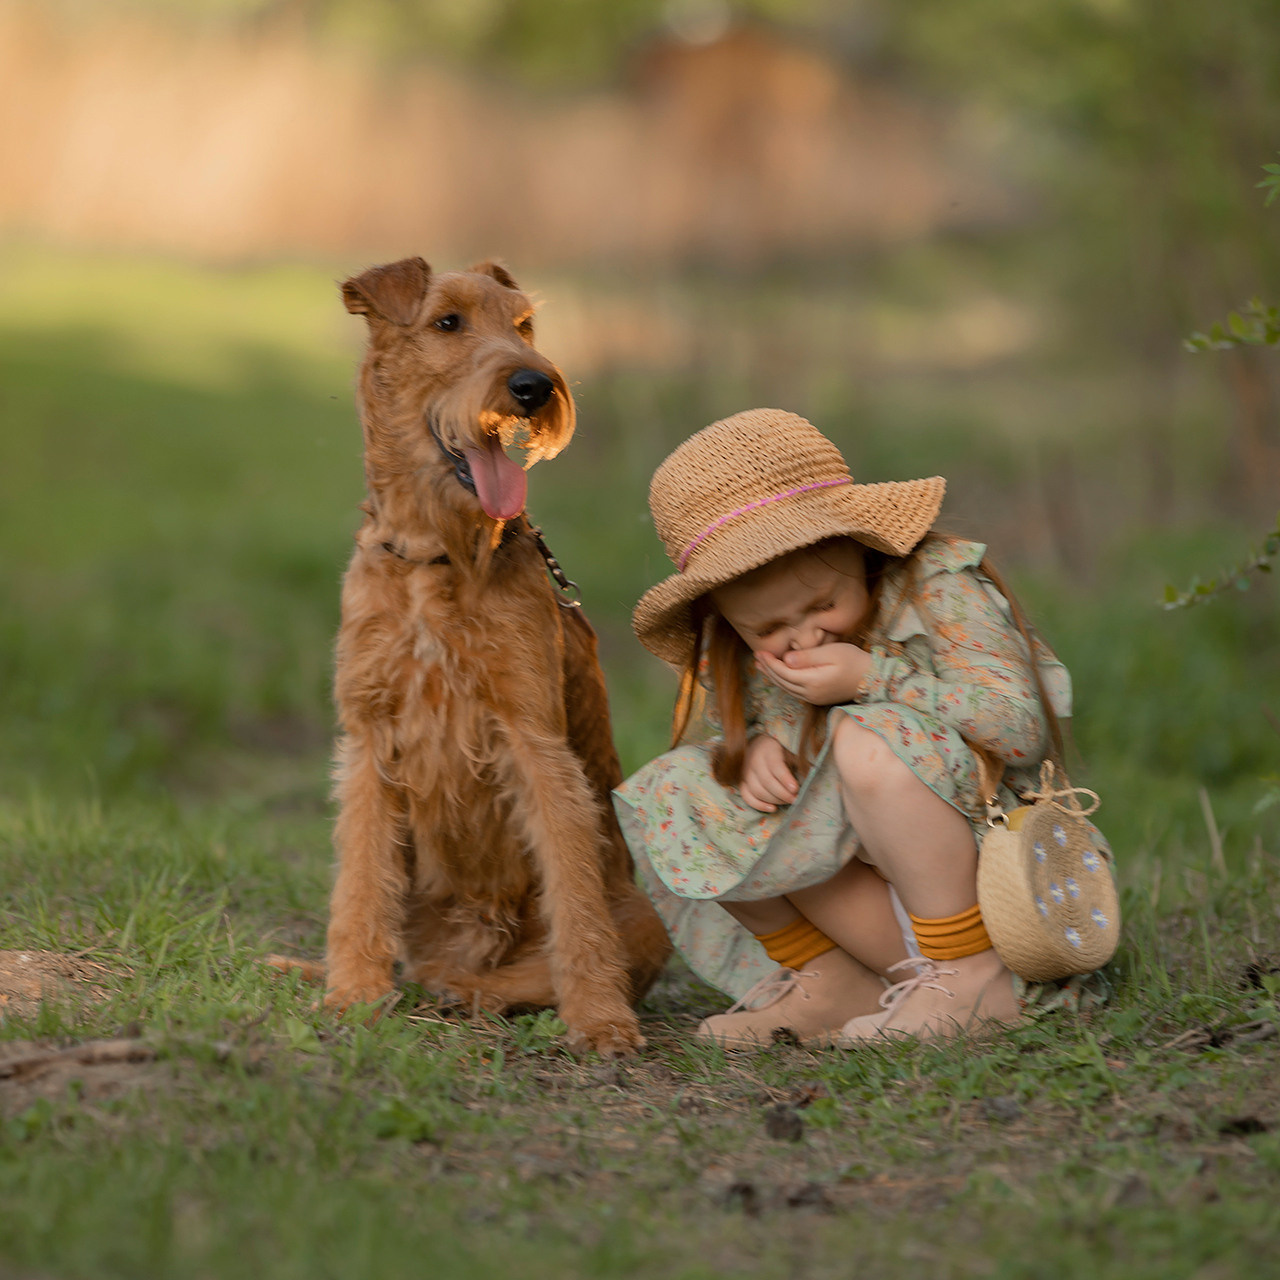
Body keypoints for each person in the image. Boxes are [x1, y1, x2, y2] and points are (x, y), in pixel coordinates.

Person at [613, 408, 1100, 1047]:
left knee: (866, 741)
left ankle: (975, 977)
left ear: (856, 543)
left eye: (821, 605)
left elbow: (1018, 729)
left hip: (995, 888)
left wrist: (877, 678)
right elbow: (776, 737)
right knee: (680, 787)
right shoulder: (746, 653)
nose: (804, 635)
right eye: (768, 629)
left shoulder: (937, 587)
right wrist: (758, 748)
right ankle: (840, 981)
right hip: (879, 909)